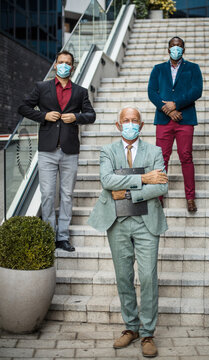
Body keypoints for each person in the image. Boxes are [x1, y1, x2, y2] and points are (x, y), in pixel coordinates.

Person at [88, 107, 168, 358]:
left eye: (135, 121)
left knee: (147, 277)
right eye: (126, 121)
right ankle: (130, 328)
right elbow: (107, 182)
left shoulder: (155, 151)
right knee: (123, 277)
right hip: (118, 221)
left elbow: (162, 185)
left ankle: (147, 333)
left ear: (142, 125)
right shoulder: (107, 151)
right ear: (117, 124)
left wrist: (129, 191)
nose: (130, 124)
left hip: (146, 221)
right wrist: (144, 178)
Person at [18, 50, 96, 252]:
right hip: (47, 150)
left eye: (67, 63)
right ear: (55, 65)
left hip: (70, 150)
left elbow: (91, 115)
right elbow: (23, 107)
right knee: (47, 195)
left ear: (72, 66)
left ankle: (62, 237)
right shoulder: (41, 87)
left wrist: (76, 117)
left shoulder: (80, 91)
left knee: (67, 195)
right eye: (60, 62)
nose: (63, 65)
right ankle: (48, 236)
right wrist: (43, 116)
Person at [148, 36, 203, 212]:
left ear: (183, 49)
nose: (176, 48)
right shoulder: (158, 69)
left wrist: (176, 104)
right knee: (162, 158)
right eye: (173, 45)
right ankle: (159, 196)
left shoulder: (193, 68)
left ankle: (190, 197)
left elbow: (197, 91)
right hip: (164, 120)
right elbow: (151, 92)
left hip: (185, 119)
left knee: (186, 156)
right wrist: (168, 109)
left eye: (179, 46)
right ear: (168, 49)